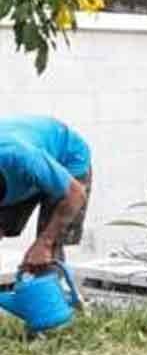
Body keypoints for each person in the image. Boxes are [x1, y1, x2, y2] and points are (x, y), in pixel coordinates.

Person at [0, 116, 91, 273]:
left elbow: (75, 195)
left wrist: (45, 242)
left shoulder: (20, 156)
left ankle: (50, 291)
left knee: (44, 257)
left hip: (66, 159)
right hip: (24, 172)